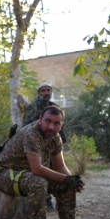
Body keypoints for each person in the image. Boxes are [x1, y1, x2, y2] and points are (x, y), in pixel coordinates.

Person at [0, 105, 93, 219]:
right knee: (39, 182)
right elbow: (37, 169)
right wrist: (65, 179)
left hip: (26, 175)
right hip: (4, 174)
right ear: (40, 119)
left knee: (66, 182)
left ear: (61, 125)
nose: (51, 127)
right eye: (48, 121)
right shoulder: (31, 134)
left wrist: (72, 181)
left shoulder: (55, 138)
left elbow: (60, 166)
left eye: (56, 123)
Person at [23, 82, 68, 212]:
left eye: (48, 90)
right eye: (43, 90)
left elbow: (60, 127)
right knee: (43, 171)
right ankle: (46, 201)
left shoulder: (55, 107)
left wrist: (61, 141)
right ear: (39, 93)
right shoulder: (33, 107)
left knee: (58, 169)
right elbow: (26, 126)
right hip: (36, 145)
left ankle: (61, 201)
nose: (46, 93)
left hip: (52, 144)